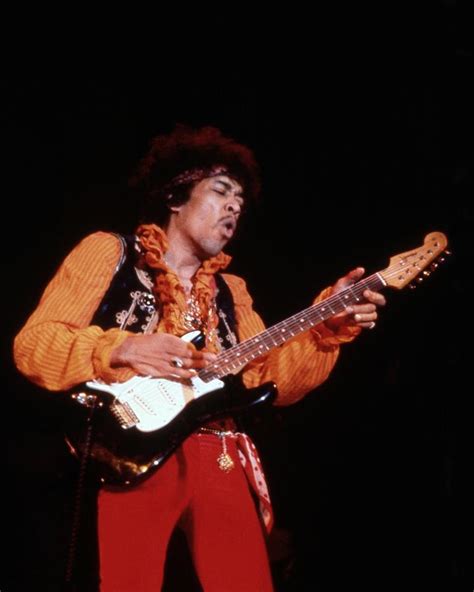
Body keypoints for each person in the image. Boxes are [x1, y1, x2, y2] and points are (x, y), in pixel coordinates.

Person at [13, 124, 386, 592]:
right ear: (175, 196)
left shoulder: (233, 291)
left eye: (241, 202)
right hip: (132, 452)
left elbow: (271, 382)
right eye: (221, 191)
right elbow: (34, 343)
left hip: (221, 453)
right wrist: (120, 347)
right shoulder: (108, 252)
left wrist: (326, 327)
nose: (235, 206)